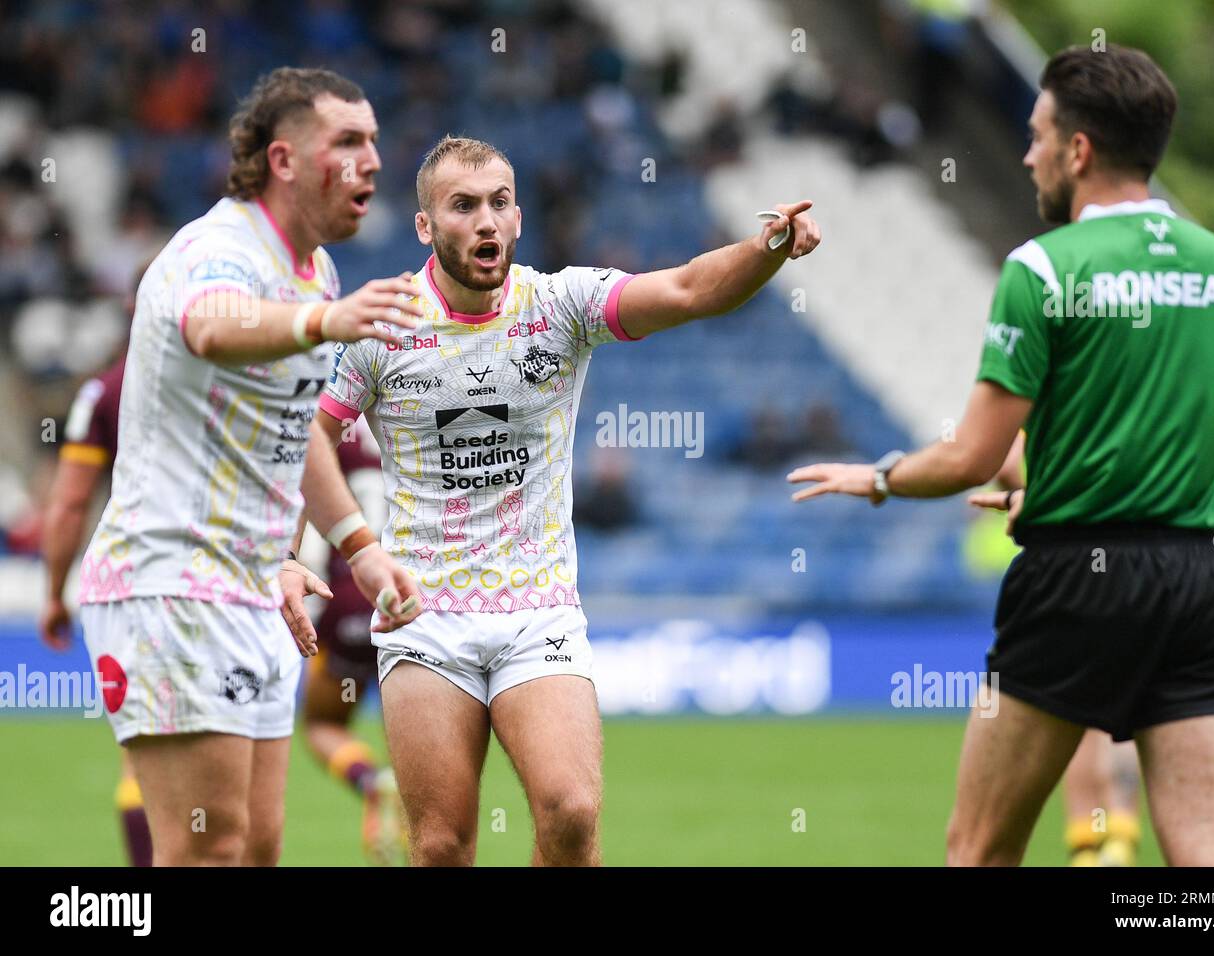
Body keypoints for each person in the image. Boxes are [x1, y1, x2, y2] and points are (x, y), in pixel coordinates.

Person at [283, 134, 820, 866]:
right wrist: (315, 555)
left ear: (519, 217)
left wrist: (766, 249)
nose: (485, 222)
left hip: (537, 611)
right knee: (440, 846)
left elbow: (690, 288)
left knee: (571, 812)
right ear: (425, 226)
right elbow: (303, 436)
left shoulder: (561, 304)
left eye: (499, 204)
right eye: (463, 206)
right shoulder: (381, 327)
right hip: (424, 616)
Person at [789, 45, 1214, 866]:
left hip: (1075, 582)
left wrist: (880, 477)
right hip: (1195, 583)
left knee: (979, 849)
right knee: (1206, 857)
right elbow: (1213, 436)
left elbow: (972, 457)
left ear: (1079, 150)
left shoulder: (1042, 269)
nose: (1028, 152)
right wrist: (1083, 489)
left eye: (1038, 135)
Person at [77, 67, 423, 866]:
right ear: (284, 160)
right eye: (348, 141)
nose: (372, 160)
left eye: (373, 140)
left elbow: (295, 431)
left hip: (254, 588)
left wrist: (357, 550)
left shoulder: (316, 273)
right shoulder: (220, 250)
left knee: (258, 848)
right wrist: (324, 321)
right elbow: (209, 327)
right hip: (170, 581)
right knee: (208, 852)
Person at [974, 435, 1143, 867]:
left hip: (1066, 579)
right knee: (1124, 716)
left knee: (1075, 720)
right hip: (1139, 573)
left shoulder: (1045, 412)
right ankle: (1120, 832)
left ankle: (1086, 844)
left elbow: (1005, 464)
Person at [40, 282, 150, 865]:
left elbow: (68, 503)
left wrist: (54, 593)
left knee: (141, 752)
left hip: (134, 589)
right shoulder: (240, 379)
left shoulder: (106, 390)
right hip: (228, 592)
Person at [296, 417, 406, 864]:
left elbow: (301, 486)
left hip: (349, 592)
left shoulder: (323, 419)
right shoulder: (413, 402)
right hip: (414, 588)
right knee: (417, 724)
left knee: (323, 724)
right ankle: (411, 793)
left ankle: (371, 781)